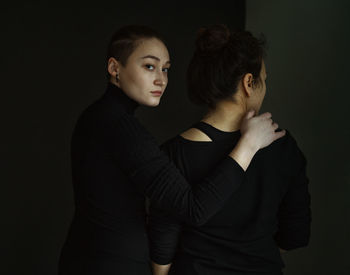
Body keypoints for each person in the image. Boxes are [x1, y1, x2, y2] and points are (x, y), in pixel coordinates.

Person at [58, 25, 285, 275]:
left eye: (165, 69)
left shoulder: (96, 116)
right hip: (111, 264)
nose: (161, 79)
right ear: (114, 68)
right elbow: (193, 208)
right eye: (149, 66)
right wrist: (249, 145)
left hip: (86, 257)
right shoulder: (119, 127)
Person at [149, 25, 311, 275]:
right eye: (264, 80)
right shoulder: (284, 147)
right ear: (249, 83)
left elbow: (162, 248)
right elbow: (295, 234)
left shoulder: (173, 153)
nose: (264, 88)